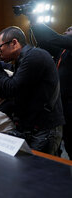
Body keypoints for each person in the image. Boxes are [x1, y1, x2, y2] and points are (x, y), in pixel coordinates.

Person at [0, 26, 65, 155]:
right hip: (33, 127)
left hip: (45, 128)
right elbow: (5, 93)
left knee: (40, 171)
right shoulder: (21, 60)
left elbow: (12, 88)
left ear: (14, 43)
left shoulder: (34, 56)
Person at [31, 23, 72, 159]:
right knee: (62, 144)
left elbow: (54, 38)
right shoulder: (63, 50)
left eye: (70, 29)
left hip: (70, 104)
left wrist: (35, 19)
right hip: (62, 104)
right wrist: (33, 24)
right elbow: (45, 41)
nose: (66, 30)